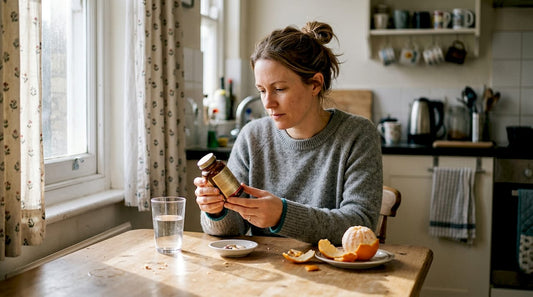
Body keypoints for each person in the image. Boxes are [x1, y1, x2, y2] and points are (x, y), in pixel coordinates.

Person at [194, 21, 383, 245]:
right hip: (268, 273)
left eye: (279, 89)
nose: (268, 103)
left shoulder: (358, 135)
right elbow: (235, 227)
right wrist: (216, 211)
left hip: (335, 272)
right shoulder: (252, 136)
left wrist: (282, 215)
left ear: (315, 84)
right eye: (261, 90)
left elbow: (360, 226)